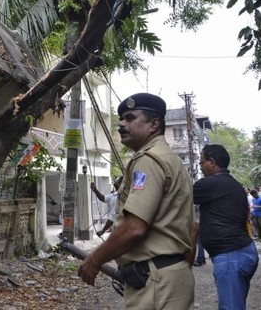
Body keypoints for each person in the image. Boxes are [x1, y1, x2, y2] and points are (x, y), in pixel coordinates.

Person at [77, 93, 195, 309]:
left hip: (155, 280)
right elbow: (193, 227)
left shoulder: (149, 161)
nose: (121, 124)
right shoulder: (171, 159)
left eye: (130, 118)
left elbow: (134, 228)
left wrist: (94, 260)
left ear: (154, 124)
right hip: (168, 274)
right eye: (121, 119)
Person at [194, 144, 258, 310]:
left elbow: (175, 195)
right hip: (243, 252)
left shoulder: (209, 184)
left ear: (212, 162)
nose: (200, 167)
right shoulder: (235, 185)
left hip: (231, 256)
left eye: (202, 163)